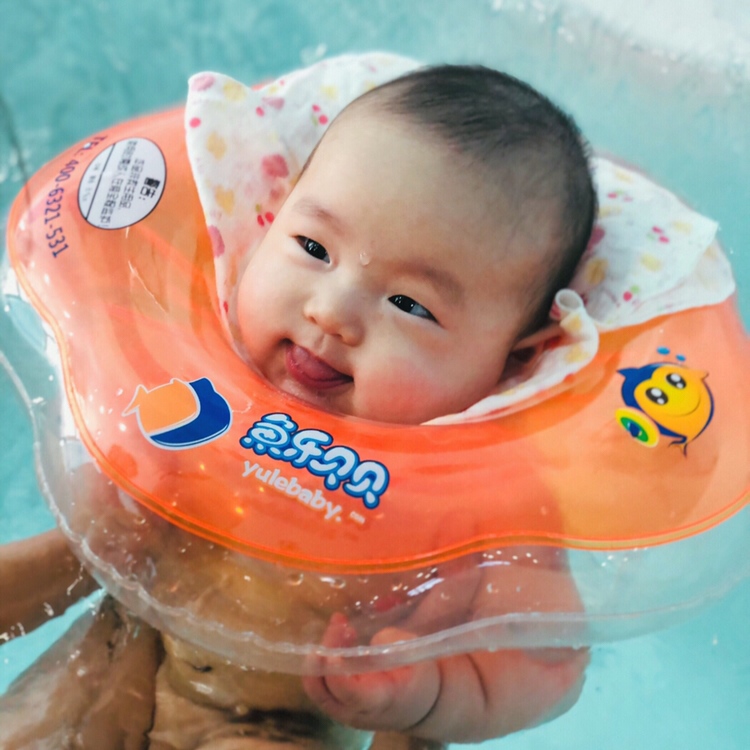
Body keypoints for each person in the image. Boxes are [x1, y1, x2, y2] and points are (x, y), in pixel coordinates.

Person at [0, 61, 594, 749]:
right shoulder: (192, 379)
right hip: (113, 651)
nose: (331, 311)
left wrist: (424, 696)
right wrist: (91, 541)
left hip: (274, 723)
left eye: (410, 304)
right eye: (314, 248)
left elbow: (546, 666)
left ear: (517, 358)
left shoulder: (483, 500)